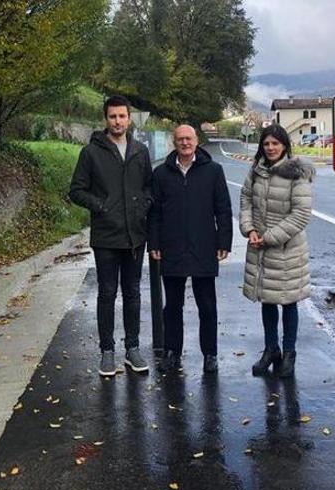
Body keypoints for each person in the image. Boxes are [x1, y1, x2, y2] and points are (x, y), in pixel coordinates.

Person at [69, 95, 153, 376]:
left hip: (135, 237)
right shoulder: (90, 153)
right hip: (106, 236)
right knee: (107, 293)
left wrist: (142, 207)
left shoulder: (140, 151)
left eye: (122, 116)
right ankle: (107, 351)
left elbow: (148, 188)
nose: (117, 121)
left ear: (129, 118)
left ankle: (132, 348)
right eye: (112, 116)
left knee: (133, 293)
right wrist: (101, 207)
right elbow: (76, 191)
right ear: (105, 119)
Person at [148, 125, 232, 373]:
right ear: (174, 143)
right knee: (172, 306)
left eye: (189, 138)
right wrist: (154, 242)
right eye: (180, 139)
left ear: (197, 141)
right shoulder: (161, 174)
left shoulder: (213, 171)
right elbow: (154, 213)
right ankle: (172, 351)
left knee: (207, 305)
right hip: (171, 247)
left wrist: (223, 242)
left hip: (204, 246)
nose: (184, 143)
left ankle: (210, 354)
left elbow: (223, 209)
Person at [239, 124, 315, 378]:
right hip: (259, 245)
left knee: (288, 301)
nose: (270, 148)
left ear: (284, 145)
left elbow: (301, 214)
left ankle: (289, 353)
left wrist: (269, 237)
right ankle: (271, 349)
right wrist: (249, 229)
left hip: (286, 249)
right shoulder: (256, 171)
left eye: (275, 143)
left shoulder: (297, 174)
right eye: (266, 144)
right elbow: (246, 199)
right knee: (267, 299)